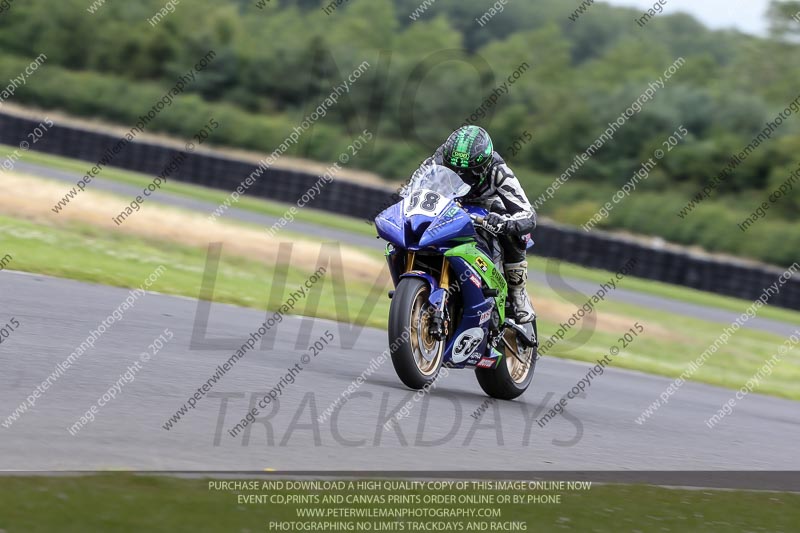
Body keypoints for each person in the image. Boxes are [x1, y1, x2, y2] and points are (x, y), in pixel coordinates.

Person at [417, 125, 536, 324]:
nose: (461, 175)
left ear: (484, 165)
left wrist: (504, 223)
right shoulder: (435, 161)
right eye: (454, 169)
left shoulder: (499, 170)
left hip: (487, 210)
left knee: (514, 228)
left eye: (468, 171)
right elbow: (414, 190)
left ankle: (518, 294)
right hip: (450, 204)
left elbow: (527, 214)